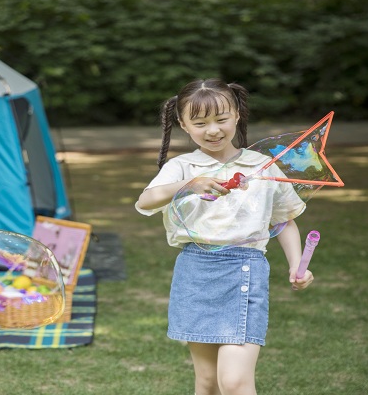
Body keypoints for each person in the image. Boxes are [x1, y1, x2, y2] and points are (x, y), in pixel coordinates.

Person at [135, 78, 314, 395]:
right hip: (195, 271)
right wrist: (190, 184)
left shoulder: (262, 166)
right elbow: (146, 201)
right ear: (183, 124)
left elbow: (284, 220)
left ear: (237, 116)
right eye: (200, 123)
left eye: (221, 119)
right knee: (206, 382)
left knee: (233, 382)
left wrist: (297, 265)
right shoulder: (183, 166)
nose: (213, 130)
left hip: (244, 270)